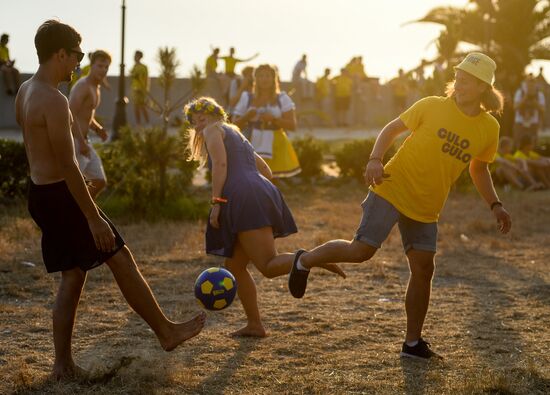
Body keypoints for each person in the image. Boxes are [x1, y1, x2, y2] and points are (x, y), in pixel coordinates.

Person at [288, 52, 512, 360]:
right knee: (361, 251)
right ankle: (304, 261)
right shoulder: (431, 105)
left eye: (467, 81)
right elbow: (391, 129)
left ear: (483, 87)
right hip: (392, 187)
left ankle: (412, 344)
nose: (459, 84)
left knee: (423, 269)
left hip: (427, 204)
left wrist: (495, 205)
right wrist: (375, 159)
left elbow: (479, 168)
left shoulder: (489, 128)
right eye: (458, 77)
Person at [14, 20, 205, 380]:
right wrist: (92, 216)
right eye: (77, 56)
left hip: (40, 192)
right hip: (61, 195)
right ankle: (166, 332)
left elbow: (36, 150)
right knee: (120, 257)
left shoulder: (26, 90)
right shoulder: (53, 99)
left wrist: (56, 184)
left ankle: (62, 367)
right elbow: (69, 164)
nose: (78, 64)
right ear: (60, 54)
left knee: (73, 276)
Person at [184, 97, 344, 337]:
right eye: (194, 122)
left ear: (216, 116)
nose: (199, 125)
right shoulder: (236, 133)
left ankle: (310, 259)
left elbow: (220, 164)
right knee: (235, 266)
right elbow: (266, 171)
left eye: (202, 118)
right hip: (256, 190)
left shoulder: (213, 130)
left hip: (244, 196)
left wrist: (217, 203)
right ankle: (255, 325)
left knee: (268, 266)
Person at [233, 64, 301, 178]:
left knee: (272, 181)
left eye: (268, 76)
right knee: (253, 179)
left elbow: (293, 126)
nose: (264, 79)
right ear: (256, 79)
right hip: (251, 142)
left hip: (276, 145)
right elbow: (233, 125)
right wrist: (247, 116)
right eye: (261, 76)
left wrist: (273, 119)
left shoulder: (282, 98)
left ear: (273, 78)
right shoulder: (247, 97)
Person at [69, 50, 112, 199]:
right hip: (75, 141)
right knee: (72, 186)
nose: (103, 70)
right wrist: (80, 142)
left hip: (85, 141)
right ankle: (74, 214)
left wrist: (97, 128)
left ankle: (81, 212)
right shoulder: (83, 86)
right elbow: (70, 114)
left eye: (106, 67)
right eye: (100, 66)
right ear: (91, 65)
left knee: (99, 180)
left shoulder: (96, 88)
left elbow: (87, 115)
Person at [513, 75, 546, 147]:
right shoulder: (519, 92)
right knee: (518, 143)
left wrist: (534, 101)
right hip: (520, 122)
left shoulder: (539, 95)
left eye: (532, 83)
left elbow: (543, 109)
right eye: (528, 83)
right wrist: (525, 97)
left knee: (533, 144)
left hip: (533, 123)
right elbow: (515, 107)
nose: (530, 85)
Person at [130, 50, 150, 125]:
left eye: (136, 56)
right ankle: (138, 124)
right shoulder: (134, 67)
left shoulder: (144, 67)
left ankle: (147, 123)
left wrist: (145, 90)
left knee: (143, 107)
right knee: (136, 108)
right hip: (135, 89)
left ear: (140, 57)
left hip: (141, 90)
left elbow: (146, 79)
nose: (134, 57)